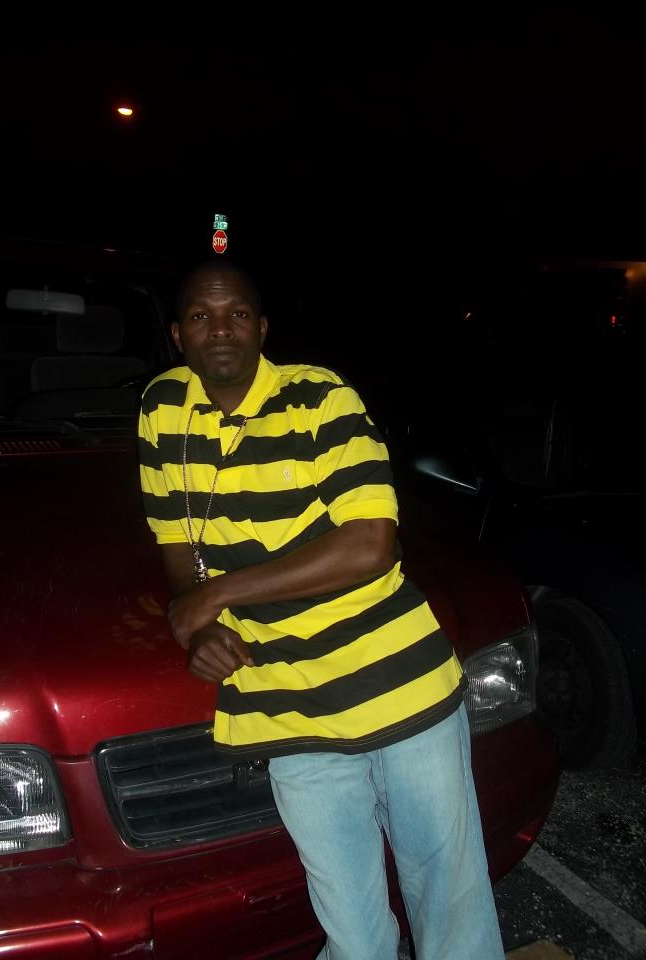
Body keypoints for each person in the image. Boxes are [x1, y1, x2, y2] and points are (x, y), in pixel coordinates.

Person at [137, 259, 504, 960]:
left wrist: (216, 596)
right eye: (202, 316)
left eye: (238, 314)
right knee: (352, 929)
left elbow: (369, 543)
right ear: (177, 334)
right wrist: (200, 619)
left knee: (448, 901)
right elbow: (177, 539)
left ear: (262, 328)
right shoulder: (162, 409)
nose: (221, 329)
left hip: (398, 685)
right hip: (284, 702)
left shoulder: (319, 399)